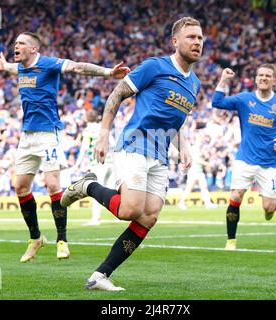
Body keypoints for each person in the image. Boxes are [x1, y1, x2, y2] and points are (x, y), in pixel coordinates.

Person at [61, 17, 203, 290]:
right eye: (191, 37)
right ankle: (87, 185)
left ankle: (100, 276)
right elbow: (117, 93)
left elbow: (175, 120)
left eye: (199, 38)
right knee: (130, 210)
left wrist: (183, 146)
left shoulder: (194, 83)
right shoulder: (155, 66)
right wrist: (103, 133)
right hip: (134, 145)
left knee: (149, 216)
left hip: (160, 154)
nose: (197, 42)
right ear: (175, 41)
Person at [0, 32, 130, 263]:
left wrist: (107, 72)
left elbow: (77, 68)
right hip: (27, 136)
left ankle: (62, 239)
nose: (16, 46)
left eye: (21, 43)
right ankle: (36, 238)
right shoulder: (21, 68)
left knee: (53, 184)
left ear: (33, 49)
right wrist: (5, 66)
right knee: (21, 188)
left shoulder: (48, 64)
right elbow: (17, 70)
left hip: (48, 134)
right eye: (15, 43)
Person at [211, 64, 276, 250]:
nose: (264, 78)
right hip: (244, 159)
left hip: (269, 163)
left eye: (268, 75)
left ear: (273, 80)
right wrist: (223, 80)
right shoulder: (245, 99)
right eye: (260, 75)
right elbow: (217, 102)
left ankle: (271, 209)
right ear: (256, 78)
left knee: (268, 207)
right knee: (236, 195)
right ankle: (231, 240)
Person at [73, 109, 116, 226]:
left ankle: (95, 219)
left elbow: (84, 149)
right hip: (110, 163)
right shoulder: (103, 128)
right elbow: (113, 144)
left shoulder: (88, 130)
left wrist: (77, 164)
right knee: (112, 190)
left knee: (96, 192)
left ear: (87, 118)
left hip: (97, 164)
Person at [178, 134, 218, 210]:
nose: (202, 140)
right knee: (189, 188)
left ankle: (208, 203)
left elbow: (203, 157)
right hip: (193, 171)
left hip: (199, 172)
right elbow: (196, 160)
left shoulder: (199, 149)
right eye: (200, 139)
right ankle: (181, 203)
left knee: (204, 188)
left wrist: (206, 156)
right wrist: (207, 163)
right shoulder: (194, 148)